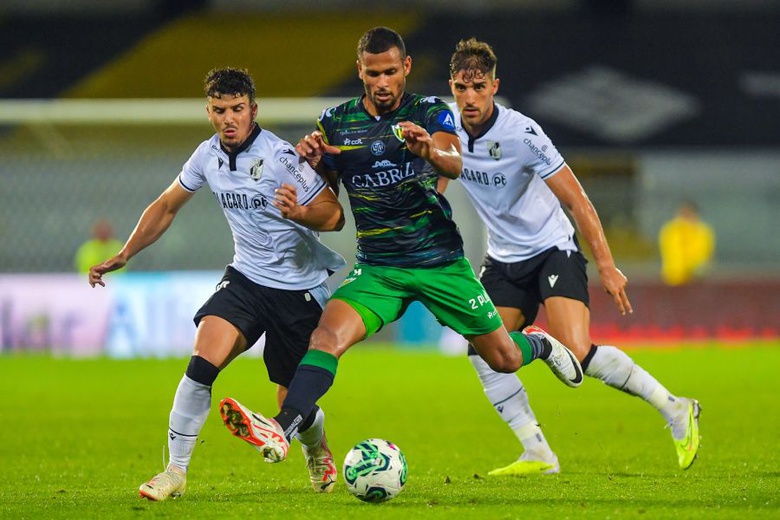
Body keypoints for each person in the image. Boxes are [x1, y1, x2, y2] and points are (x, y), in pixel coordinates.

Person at [217, 27, 584, 465]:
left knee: (504, 357)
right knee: (326, 335)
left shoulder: (429, 111)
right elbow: (330, 210)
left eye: (391, 71)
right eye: (373, 73)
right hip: (378, 268)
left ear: (406, 67)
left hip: (438, 262)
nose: (383, 82)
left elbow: (455, 161)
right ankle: (281, 427)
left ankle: (539, 344)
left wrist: (428, 150)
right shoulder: (336, 121)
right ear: (361, 71)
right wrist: (315, 167)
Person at [441, 38, 701, 475]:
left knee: (576, 353)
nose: (470, 98)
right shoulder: (443, 129)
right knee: (483, 348)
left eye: (479, 87)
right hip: (503, 257)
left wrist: (606, 266)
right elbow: (438, 183)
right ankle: (538, 452)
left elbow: (579, 202)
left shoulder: (522, 134)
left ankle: (676, 408)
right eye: (462, 88)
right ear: (452, 86)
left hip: (551, 249)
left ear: (493, 86)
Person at [88, 67, 347, 500]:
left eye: (238, 109)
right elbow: (168, 205)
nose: (229, 118)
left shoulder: (282, 157)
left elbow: (334, 214)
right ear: (208, 112)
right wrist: (126, 252)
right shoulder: (206, 155)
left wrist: (299, 213)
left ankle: (315, 444)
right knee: (201, 364)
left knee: (291, 401)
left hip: (298, 290)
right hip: (245, 279)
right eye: (220, 110)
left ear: (253, 110)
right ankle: (174, 472)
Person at [659, 201, 715, 286]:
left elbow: (706, 255)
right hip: (674, 280)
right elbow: (673, 254)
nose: (686, 218)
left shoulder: (703, 231)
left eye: (689, 214)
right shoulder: (671, 230)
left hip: (698, 280)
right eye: (684, 214)